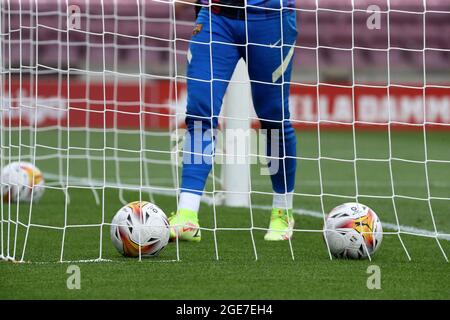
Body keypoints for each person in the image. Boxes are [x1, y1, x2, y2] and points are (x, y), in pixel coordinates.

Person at [169, 0, 298, 242]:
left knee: (273, 118)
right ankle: (187, 213)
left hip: (270, 18)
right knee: (200, 111)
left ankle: (282, 211)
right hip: (216, 16)